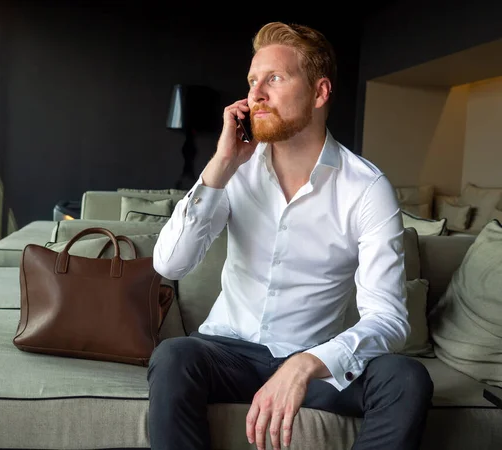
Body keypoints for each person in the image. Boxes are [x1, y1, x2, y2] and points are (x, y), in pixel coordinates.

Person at [147, 21, 434, 450]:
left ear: (319, 93)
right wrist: (220, 166)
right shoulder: (235, 169)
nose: (255, 94)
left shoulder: (367, 188)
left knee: (407, 378)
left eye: (274, 79)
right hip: (226, 353)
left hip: (313, 361)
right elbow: (170, 264)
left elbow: (388, 318)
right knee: (173, 356)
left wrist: (307, 364)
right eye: (252, 81)